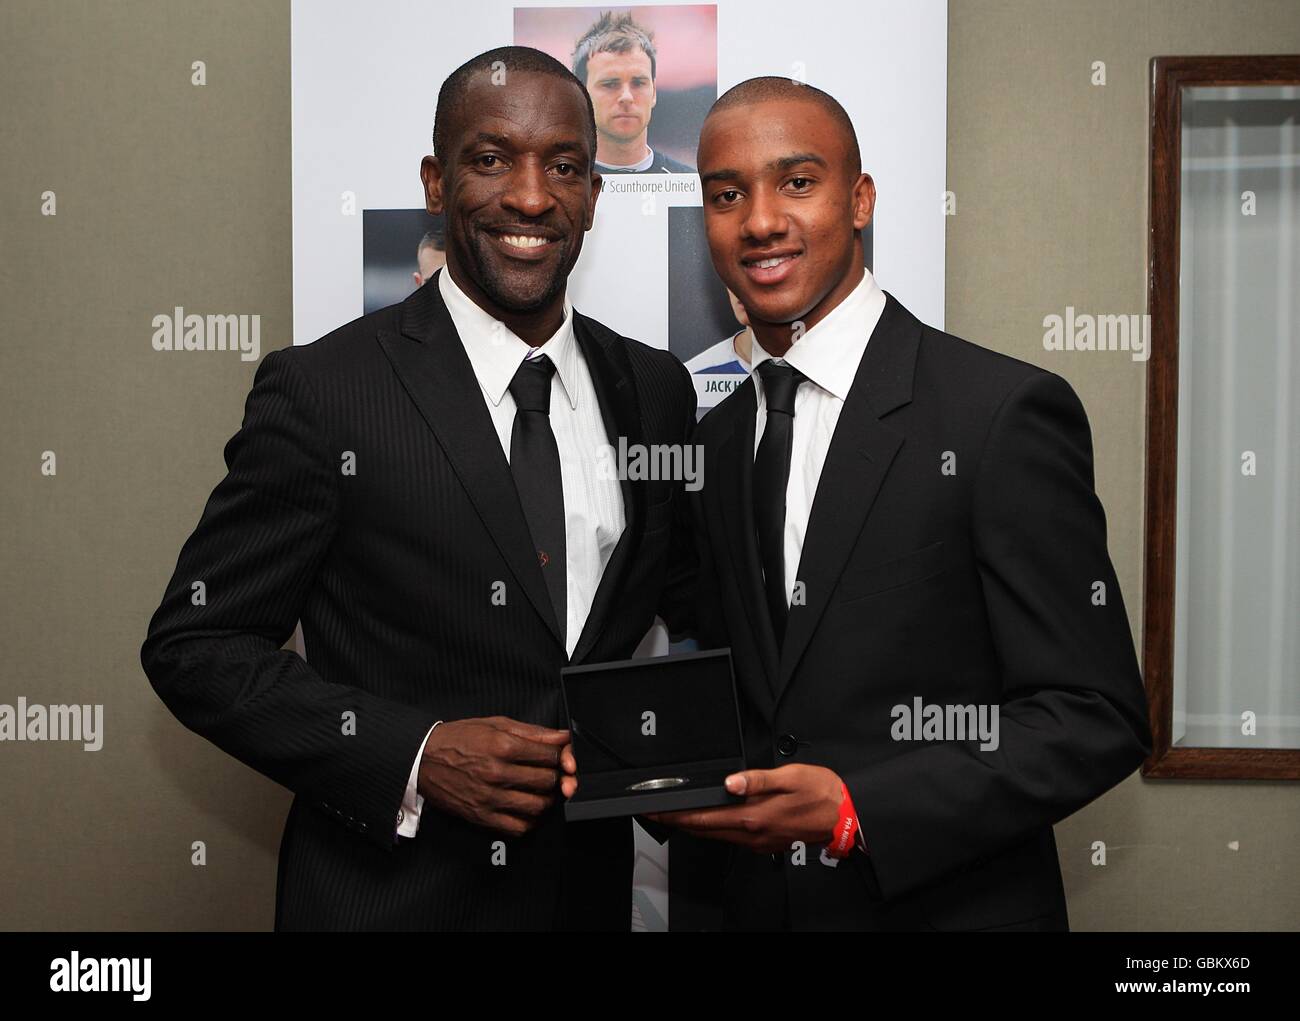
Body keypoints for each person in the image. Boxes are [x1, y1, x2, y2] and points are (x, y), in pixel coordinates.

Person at [140, 45, 696, 931]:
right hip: (390, 899)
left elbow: (683, 612)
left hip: (586, 900)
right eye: (490, 160)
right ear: (437, 185)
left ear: (594, 192)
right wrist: (416, 753)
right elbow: (196, 645)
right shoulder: (326, 392)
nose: (529, 197)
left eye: (563, 166)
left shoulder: (655, 390)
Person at [648, 77, 1153, 931]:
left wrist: (859, 807)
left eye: (797, 183)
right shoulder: (718, 439)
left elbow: (1095, 716)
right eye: (727, 194)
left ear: (861, 199)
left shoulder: (998, 413)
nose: (761, 220)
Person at [572, 11, 694, 174]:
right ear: (581, 96)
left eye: (638, 83)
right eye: (610, 84)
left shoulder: (687, 182)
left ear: (654, 92)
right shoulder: (564, 185)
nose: (627, 97)